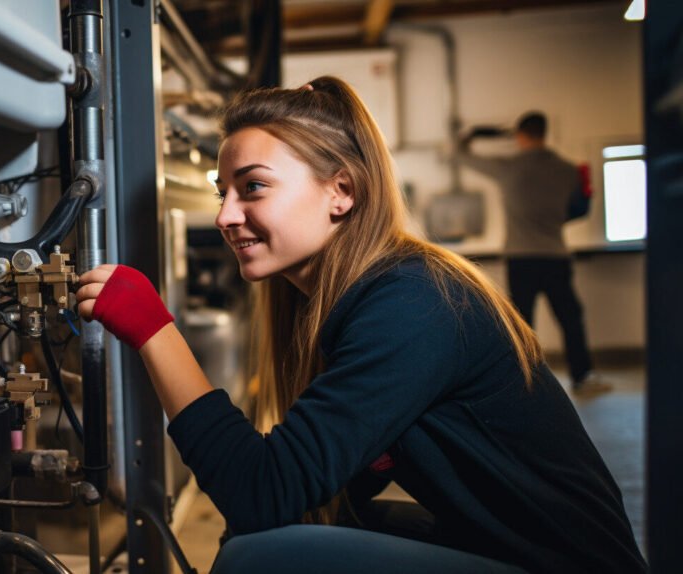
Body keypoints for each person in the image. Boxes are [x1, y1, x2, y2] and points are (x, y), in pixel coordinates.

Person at [76, 77, 645, 573]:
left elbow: (260, 492)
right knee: (280, 535)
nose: (226, 215)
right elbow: (305, 492)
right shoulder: (352, 301)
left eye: (253, 187)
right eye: (222, 192)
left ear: (341, 192)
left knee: (258, 559)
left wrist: (154, 330)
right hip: (505, 547)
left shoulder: (414, 301)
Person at [457, 113, 610, 394]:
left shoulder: (509, 167)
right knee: (570, 318)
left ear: (520, 135)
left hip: (521, 258)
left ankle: (522, 379)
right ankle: (582, 375)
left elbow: (459, 154)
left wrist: (476, 134)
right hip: (555, 255)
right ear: (544, 132)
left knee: (521, 322)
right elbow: (575, 210)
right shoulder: (567, 170)